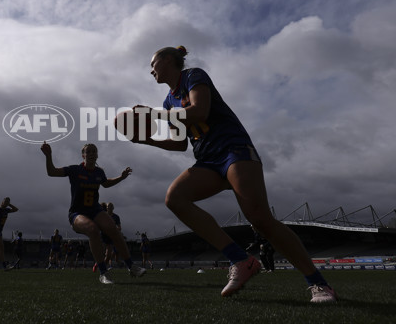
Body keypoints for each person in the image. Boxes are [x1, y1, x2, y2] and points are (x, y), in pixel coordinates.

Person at [133, 45, 336, 302]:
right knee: (175, 198)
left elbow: (200, 111)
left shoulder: (194, 75)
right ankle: (240, 259)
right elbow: (180, 143)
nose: (150, 70)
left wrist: (154, 114)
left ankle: (319, 284)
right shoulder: (168, 101)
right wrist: (146, 140)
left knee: (260, 220)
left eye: (153, 63)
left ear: (168, 60)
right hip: (208, 160)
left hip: (234, 150)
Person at [40, 141, 146, 284]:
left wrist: (121, 177)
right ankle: (103, 273)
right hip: (77, 213)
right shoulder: (75, 170)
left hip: (95, 209)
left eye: (94, 151)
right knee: (93, 230)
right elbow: (51, 172)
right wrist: (48, 155)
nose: (91, 154)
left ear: (97, 155)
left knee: (113, 229)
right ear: (83, 155)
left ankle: (131, 266)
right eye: (88, 151)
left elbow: (106, 183)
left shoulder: (99, 172)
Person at [103, 203, 121, 269]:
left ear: (113, 208)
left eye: (111, 207)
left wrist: (114, 229)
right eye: (108, 207)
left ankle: (103, 268)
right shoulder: (103, 216)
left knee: (108, 255)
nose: (109, 208)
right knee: (100, 253)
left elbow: (119, 227)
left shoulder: (116, 217)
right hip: (102, 236)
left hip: (110, 237)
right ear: (106, 208)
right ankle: (99, 265)